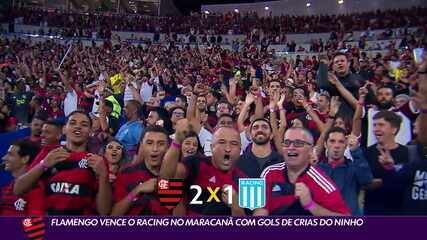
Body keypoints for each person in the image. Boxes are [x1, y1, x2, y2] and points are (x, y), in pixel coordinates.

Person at [13, 111, 112, 215]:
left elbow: (104, 212)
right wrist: (43, 164)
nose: (78, 127)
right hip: (50, 225)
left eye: (84, 125)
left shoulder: (97, 161)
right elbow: (18, 189)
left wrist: (104, 175)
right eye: (73, 123)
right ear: (64, 129)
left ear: (90, 131)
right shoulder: (49, 153)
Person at [254, 127, 350, 216]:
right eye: (287, 143)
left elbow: (347, 221)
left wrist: (311, 205)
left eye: (298, 143)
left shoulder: (321, 182)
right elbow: (256, 211)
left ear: (311, 150)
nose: (291, 147)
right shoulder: (269, 172)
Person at [160, 119, 246, 216]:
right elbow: (165, 179)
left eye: (234, 144)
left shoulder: (246, 180)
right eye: (221, 142)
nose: (227, 149)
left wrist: (236, 207)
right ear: (211, 147)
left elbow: (253, 227)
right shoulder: (195, 163)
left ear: (240, 150)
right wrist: (177, 141)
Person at [111, 126, 171, 215]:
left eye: (161, 144)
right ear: (142, 146)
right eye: (149, 143)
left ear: (168, 147)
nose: (155, 149)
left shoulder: (175, 175)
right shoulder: (126, 174)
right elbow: (114, 215)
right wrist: (137, 190)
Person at [317, 127, 373, 215]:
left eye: (341, 142)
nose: (336, 146)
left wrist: (356, 151)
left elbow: (367, 180)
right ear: (325, 144)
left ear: (346, 145)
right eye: (332, 141)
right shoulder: (317, 170)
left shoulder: (354, 168)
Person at [364, 110, 410, 215]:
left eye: (381, 125)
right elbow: (364, 182)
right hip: (372, 212)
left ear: (394, 129)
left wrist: (385, 178)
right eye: (374, 125)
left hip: (400, 212)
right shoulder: (367, 153)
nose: (376, 129)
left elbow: (408, 183)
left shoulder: (407, 153)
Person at [0, 140, 40, 215]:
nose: (4, 158)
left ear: (25, 159)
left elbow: (36, 223)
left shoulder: (35, 188)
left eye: (10, 155)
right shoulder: (6, 188)